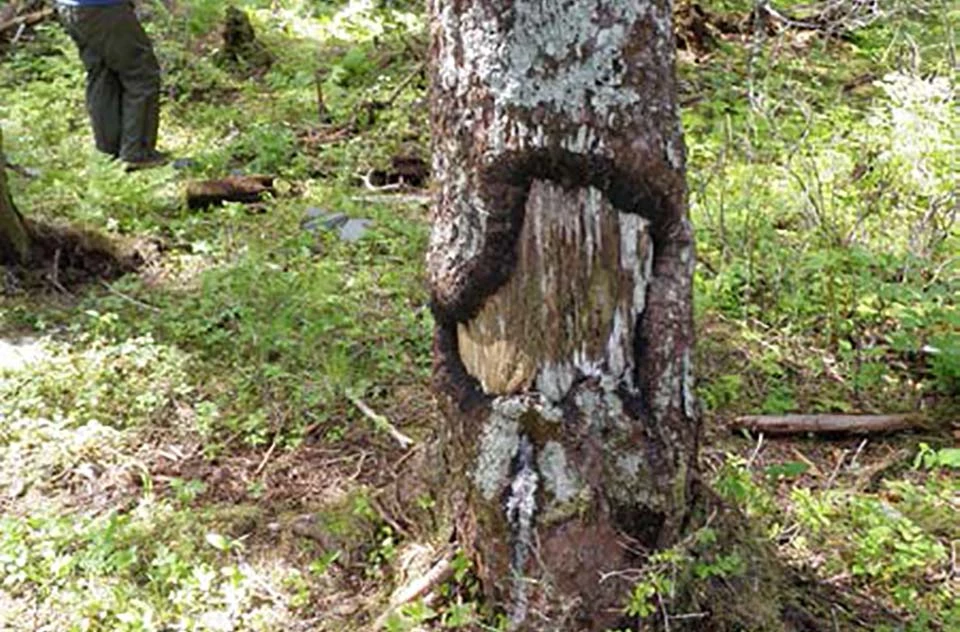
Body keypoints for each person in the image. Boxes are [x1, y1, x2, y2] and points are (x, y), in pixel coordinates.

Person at [55, 0, 167, 170]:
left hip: (71, 6)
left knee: (103, 75)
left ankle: (108, 152)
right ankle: (137, 153)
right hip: (103, 7)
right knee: (141, 75)